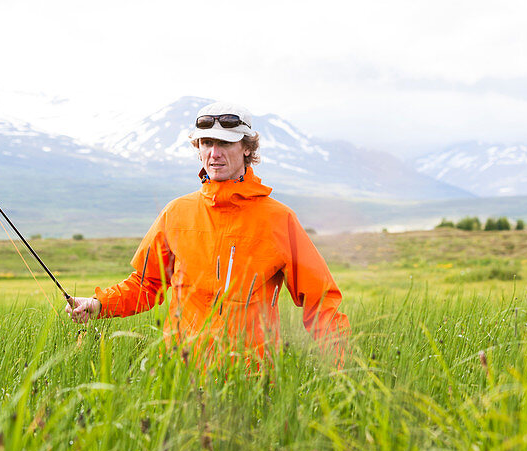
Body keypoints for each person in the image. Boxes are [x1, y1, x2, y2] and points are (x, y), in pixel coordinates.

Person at [66, 101, 348, 366]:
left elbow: (321, 301)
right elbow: (145, 285)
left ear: (247, 148)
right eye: (207, 143)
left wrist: (341, 370)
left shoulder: (279, 219)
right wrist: (99, 304)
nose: (215, 153)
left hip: (253, 379)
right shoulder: (176, 212)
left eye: (225, 143)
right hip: (180, 374)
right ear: (198, 148)